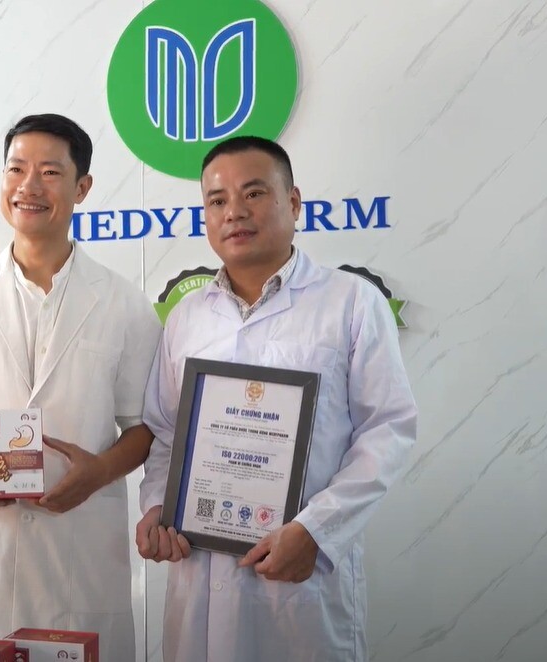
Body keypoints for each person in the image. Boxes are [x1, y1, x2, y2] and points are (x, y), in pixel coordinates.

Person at [135, 136, 418, 661]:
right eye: (217, 200)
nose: (234, 212)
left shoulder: (350, 302)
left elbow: (387, 429)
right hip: (199, 572)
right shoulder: (187, 317)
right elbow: (166, 433)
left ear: (293, 202)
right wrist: (158, 506)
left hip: (300, 587)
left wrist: (317, 531)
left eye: (254, 193)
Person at [0, 113, 161, 661]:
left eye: (50, 172)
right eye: (16, 169)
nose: (29, 186)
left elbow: (146, 427)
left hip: (80, 559)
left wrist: (99, 472)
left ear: (82, 188)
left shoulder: (125, 305)